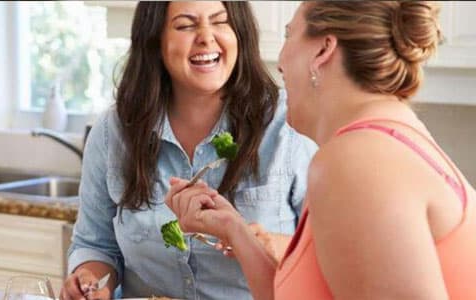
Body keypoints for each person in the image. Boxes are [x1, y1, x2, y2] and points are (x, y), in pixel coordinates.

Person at [166, 1, 476, 299]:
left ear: (323, 50)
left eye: (289, 35)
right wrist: (233, 229)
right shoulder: (384, 137)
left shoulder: (357, 160)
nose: (281, 60)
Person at [60, 1, 316, 300]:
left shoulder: (292, 124)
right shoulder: (114, 130)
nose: (207, 37)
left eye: (220, 22)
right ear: (155, 41)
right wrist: (91, 281)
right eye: (185, 25)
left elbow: (328, 254)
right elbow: (96, 244)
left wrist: (259, 241)